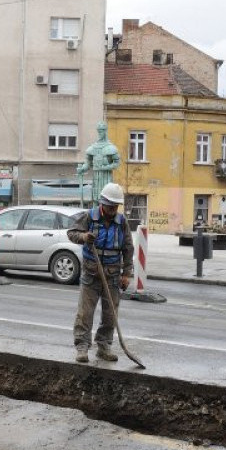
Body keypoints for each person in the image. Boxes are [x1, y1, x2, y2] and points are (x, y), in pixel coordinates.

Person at [67, 182, 134, 363]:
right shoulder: (89, 217)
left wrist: (126, 274)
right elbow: (71, 233)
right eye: (110, 205)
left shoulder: (122, 222)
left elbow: (128, 248)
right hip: (91, 274)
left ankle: (104, 346)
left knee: (110, 315)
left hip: (112, 276)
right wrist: (83, 237)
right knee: (85, 313)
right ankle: (82, 347)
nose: (112, 209)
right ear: (102, 203)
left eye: (115, 206)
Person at [76, 121, 121, 204]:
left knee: (106, 198)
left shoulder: (110, 147)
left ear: (105, 131)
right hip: (96, 177)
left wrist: (104, 167)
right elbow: (88, 163)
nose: (100, 133)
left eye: (102, 131)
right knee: (96, 199)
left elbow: (117, 163)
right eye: (99, 131)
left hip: (106, 177)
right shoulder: (93, 147)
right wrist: (82, 169)